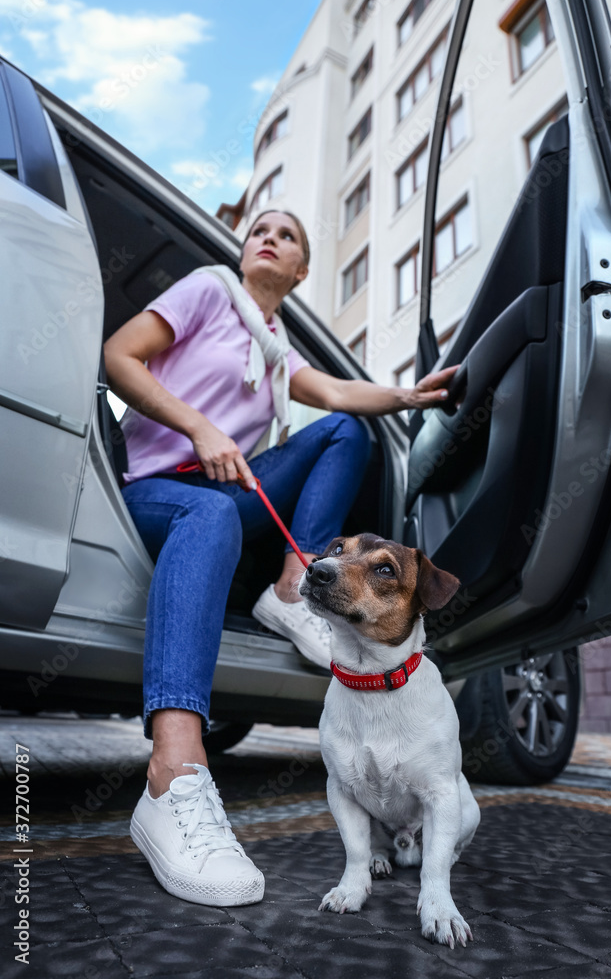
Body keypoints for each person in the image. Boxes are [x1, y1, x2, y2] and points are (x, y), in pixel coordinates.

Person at [104, 209, 458, 908]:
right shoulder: (209, 290)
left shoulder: (275, 348)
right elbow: (118, 355)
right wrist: (199, 426)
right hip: (157, 488)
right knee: (205, 508)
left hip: (224, 502)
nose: (268, 235)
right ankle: (174, 775)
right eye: (258, 229)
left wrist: (407, 395)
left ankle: (294, 582)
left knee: (344, 432)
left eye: (288, 234)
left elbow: (334, 394)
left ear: (299, 273)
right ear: (243, 255)